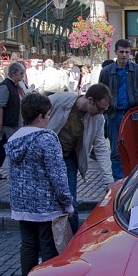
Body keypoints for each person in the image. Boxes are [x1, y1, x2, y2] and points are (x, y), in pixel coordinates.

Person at [5, 92, 74, 276]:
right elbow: (58, 175)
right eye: (48, 114)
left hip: (22, 204)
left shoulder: (14, 139)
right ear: (40, 116)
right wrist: (68, 204)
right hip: (46, 206)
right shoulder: (47, 138)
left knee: (28, 246)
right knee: (48, 247)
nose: (50, 118)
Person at [47, 83, 113, 233]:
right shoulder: (58, 101)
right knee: (47, 204)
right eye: (100, 108)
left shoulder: (97, 119)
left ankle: (71, 247)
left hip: (69, 159)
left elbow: (101, 148)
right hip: (48, 159)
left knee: (71, 205)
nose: (101, 113)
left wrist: (108, 180)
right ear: (90, 100)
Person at [99, 39, 138, 181]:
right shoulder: (106, 72)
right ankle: (118, 182)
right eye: (121, 52)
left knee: (133, 149)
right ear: (115, 52)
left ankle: (134, 181)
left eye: (127, 52)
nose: (124, 55)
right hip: (114, 115)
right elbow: (100, 92)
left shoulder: (137, 71)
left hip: (132, 115)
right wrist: (105, 111)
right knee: (116, 152)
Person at [0, 61, 26, 180]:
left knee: (5, 146)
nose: (22, 76)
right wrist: (0, 125)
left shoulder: (16, 86)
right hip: (8, 124)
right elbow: (0, 106)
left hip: (14, 122)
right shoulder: (6, 86)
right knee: (5, 145)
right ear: (14, 73)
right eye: (21, 73)